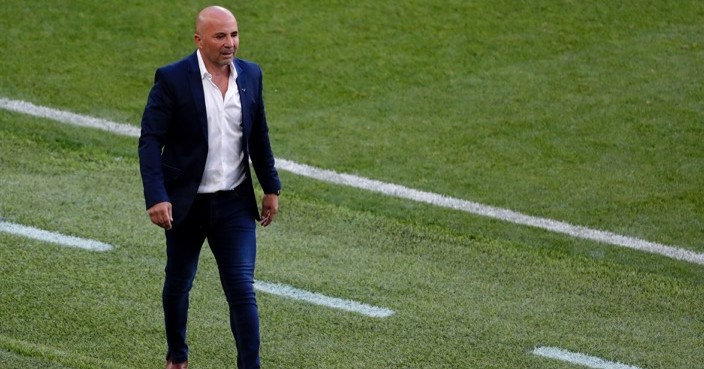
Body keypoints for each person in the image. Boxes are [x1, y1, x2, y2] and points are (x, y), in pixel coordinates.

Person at [138, 5, 281, 369]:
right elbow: (150, 140)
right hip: (186, 205)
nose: (229, 43)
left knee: (241, 289)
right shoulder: (172, 79)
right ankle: (178, 355)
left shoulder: (251, 75)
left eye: (233, 34)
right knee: (179, 283)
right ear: (199, 40)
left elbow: (259, 135)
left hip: (234, 203)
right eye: (220, 36)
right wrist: (157, 196)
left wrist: (270, 186)